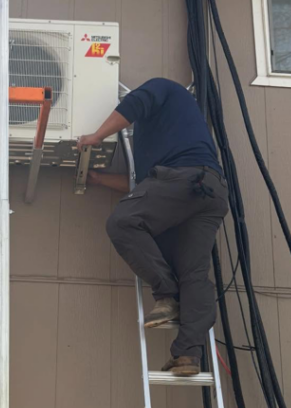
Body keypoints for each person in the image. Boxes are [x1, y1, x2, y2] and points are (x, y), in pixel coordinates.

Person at [77, 77, 229, 377]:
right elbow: (143, 187)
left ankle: (166, 293)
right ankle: (188, 355)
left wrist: (96, 136)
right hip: (208, 190)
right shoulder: (169, 135)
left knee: (123, 223)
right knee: (193, 273)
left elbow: (135, 103)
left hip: (184, 180)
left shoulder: (160, 87)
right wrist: (98, 179)